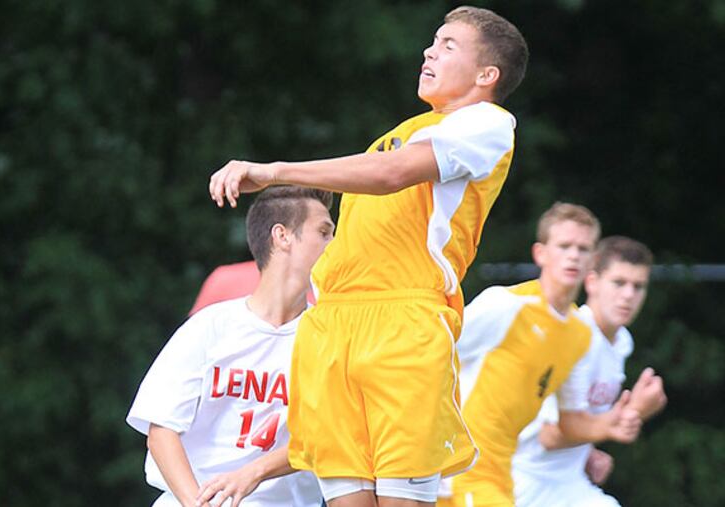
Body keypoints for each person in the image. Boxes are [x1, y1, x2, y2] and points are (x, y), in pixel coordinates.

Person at [209, 6, 529, 505]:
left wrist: (275, 171)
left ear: (488, 74)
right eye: (433, 40)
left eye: (448, 45)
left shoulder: (486, 123)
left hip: (403, 325)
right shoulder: (404, 130)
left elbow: (389, 176)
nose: (429, 50)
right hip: (335, 325)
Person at [126, 186, 335, 507]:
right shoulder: (209, 327)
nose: (334, 245)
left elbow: (330, 438)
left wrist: (253, 472)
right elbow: (161, 429)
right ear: (282, 237)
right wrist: (196, 503)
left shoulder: (329, 338)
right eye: (324, 232)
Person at [443, 203, 642, 507]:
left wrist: (612, 424)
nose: (573, 255)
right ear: (541, 253)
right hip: (458, 470)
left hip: (500, 476)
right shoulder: (506, 306)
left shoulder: (580, 334)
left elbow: (570, 420)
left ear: (593, 262)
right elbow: (434, 358)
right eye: (564, 246)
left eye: (583, 248)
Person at [511, 236, 667, 507]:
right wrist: (631, 415)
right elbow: (549, 435)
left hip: (569, 484)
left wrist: (587, 453)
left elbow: (580, 420)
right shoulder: (575, 338)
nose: (629, 295)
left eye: (638, 286)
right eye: (619, 283)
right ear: (592, 282)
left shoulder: (621, 343)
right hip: (526, 485)